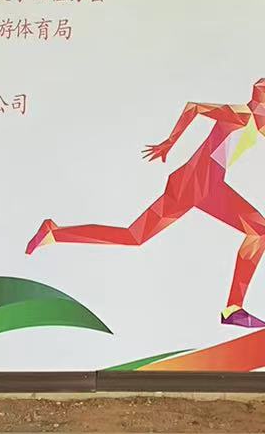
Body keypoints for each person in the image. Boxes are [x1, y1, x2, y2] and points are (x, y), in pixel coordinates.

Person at [27, 78, 265, 329]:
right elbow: (194, 107)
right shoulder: (238, 116)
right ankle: (232, 309)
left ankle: (54, 233)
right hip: (197, 187)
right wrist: (169, 143)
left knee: (133, 236)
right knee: (258, 232)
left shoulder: (251, 122)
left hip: (201, 186)